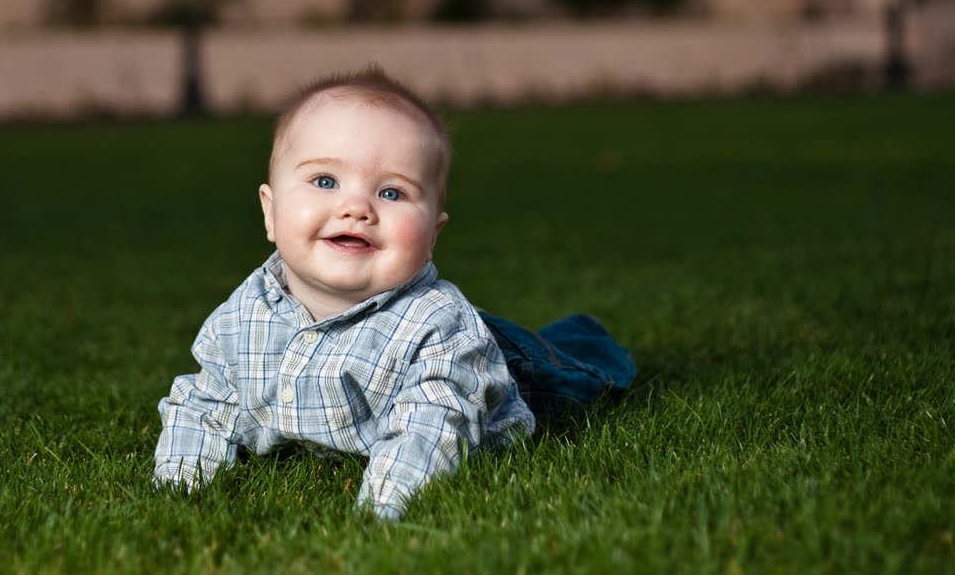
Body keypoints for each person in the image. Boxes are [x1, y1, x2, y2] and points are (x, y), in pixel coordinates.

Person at [153, 65, 634, 520]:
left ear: (432, 235)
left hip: (505, 366)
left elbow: (432, 425)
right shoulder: (244, 314)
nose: (356, 207)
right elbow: (205, 405)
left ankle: (587, 342)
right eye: (325, 181)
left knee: (572, 372)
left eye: (391, 193)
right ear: (270, 212)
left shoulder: (438, 329)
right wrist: (182, 484)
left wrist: (385, 506)